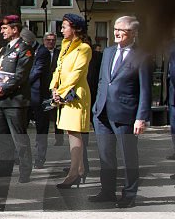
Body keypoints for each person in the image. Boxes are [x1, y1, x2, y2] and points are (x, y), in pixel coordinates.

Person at [90, 16, 151, 208]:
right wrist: (96, 106)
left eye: (121, 30)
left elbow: (145, 89)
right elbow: (103, 81)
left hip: (125, 114)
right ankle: (107, 191)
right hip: (102, 113)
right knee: (106, 155)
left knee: (128, 157)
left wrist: (141, 117)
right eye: (115, 29)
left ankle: (129, 194)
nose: (116, 32)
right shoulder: (107, 52)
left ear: (132, 33)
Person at [50, 14, 93, 190]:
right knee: (70, 132)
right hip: (64, 94)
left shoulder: (84, 48)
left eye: (65, 26)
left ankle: (74, 173)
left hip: (76, 95)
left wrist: (61, 91)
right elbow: (58, 70)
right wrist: (54, 87)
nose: (61, 29)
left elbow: (77, 73)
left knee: (75, 132)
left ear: (75, 29)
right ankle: (80, 168)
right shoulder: (66, 47)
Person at [0, 15, 34, 182]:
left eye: (5, 28)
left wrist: (3, 88)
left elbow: (21, 75)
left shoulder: (24, 49)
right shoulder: (4, 49)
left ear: (15, 29)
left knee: (19, 138)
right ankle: (5, 166)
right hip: (1, 100)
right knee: (3, 137)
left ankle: (25, 170)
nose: (2, 31)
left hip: (16, 100)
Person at [22, 28, 51, 169]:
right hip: (26, 96)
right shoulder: (24, 51)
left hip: (40, 96)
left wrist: (20, 83)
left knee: (42, 129)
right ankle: (23, 157)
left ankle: (40, 157)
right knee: (22, 127)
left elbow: (36, 72)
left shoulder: (43, 52)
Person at [43, 32, 64, 146]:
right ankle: (43, 138)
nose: (50, 42)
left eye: (53, 40)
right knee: (45, 114)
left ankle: (59, 138)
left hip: (56, 87)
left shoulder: (59, 53)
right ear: (44, 40)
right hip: (44, 86)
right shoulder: (40, 52)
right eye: (48, 40)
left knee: (57, 114)